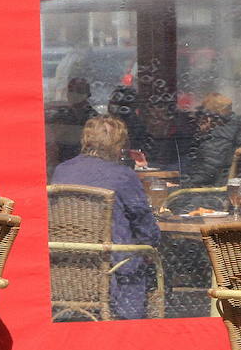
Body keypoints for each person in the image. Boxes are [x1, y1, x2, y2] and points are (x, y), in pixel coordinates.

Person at [51, 115, 161, 320]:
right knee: (154, 262)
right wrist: (151, 244)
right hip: (115, 268)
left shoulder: (61, 170)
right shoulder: (123, 175)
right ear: (119, 145)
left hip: (69, 265)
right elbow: (144, 225)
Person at [180, 93, 241, 189]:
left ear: (209, 117)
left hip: (212, 190)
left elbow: (207, 172)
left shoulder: (218, 137)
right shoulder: (233, 129)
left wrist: (181, 184)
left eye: (201, 117)